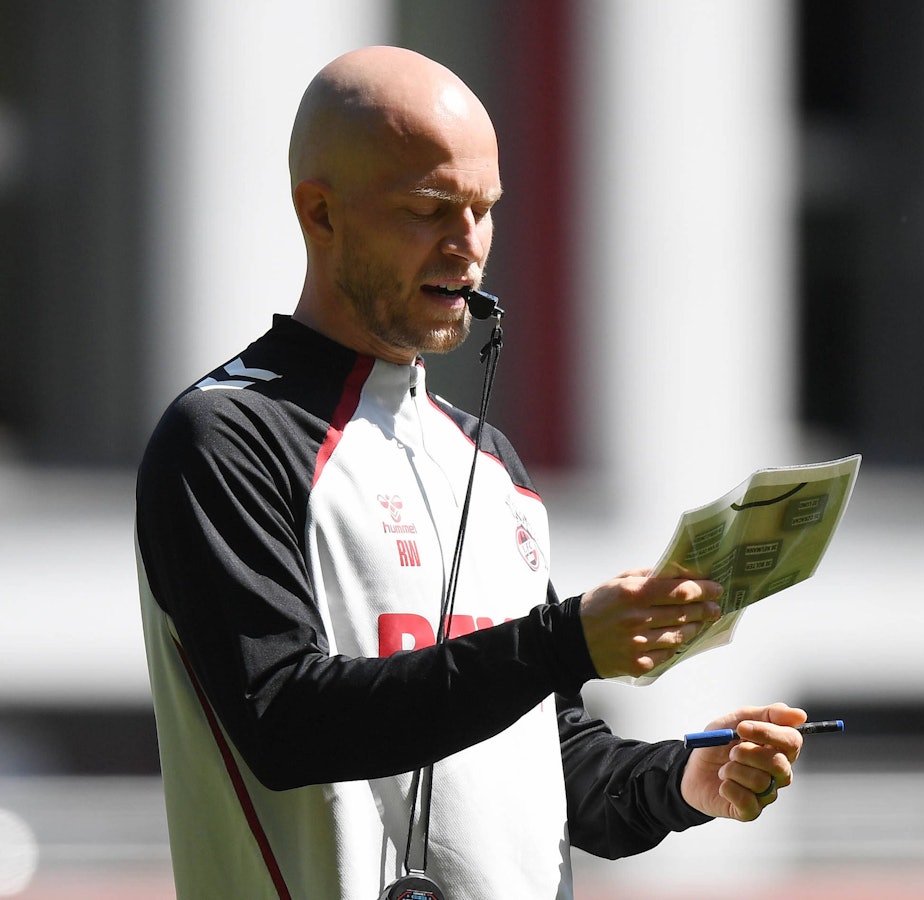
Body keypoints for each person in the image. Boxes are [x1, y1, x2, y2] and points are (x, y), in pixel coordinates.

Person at [136, 45, 810, 899]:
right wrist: (565, 640)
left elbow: (553, 759)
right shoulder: (227, 434)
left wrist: (686, 781)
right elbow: (286, 725)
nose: (469, 245)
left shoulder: (492, 465)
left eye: (484, 209)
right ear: (320, 213)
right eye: (429, 208)